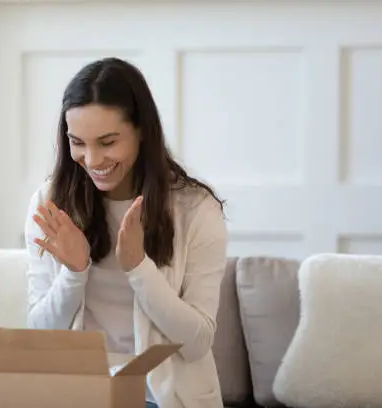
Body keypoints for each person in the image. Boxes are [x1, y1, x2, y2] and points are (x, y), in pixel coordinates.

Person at [23, 57, 228, 408]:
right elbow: (41, 337)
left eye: (107, 142)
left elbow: (197, 342)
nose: (92, 159)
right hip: (78, 394)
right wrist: (74, 273)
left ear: (142, 131)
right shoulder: (51, 204)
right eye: (78, 142)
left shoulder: (196, 209)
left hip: (163, 398)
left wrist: (139, 268)